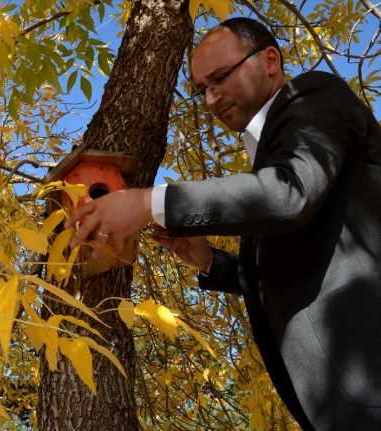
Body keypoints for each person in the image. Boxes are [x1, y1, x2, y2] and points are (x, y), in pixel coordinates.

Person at [64, 17, 381, 431]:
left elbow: (290, 193)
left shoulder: (314, 96)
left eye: (220, 78)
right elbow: (296, 265)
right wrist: (213, 262)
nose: (211, 99)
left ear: (270, 60)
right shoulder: (267, 157)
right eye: (202, 90)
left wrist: (149, 201)